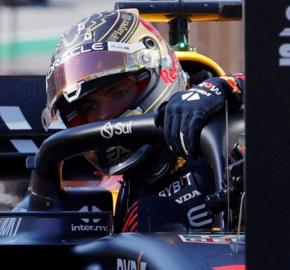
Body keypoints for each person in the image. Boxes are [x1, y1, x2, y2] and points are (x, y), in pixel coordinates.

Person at [43, 9, 244, 232]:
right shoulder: (114, 191)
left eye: (118, 93)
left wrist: (231, 86)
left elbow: (286, 96)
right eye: (90, 107)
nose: (103, 116)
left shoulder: (230, 126)